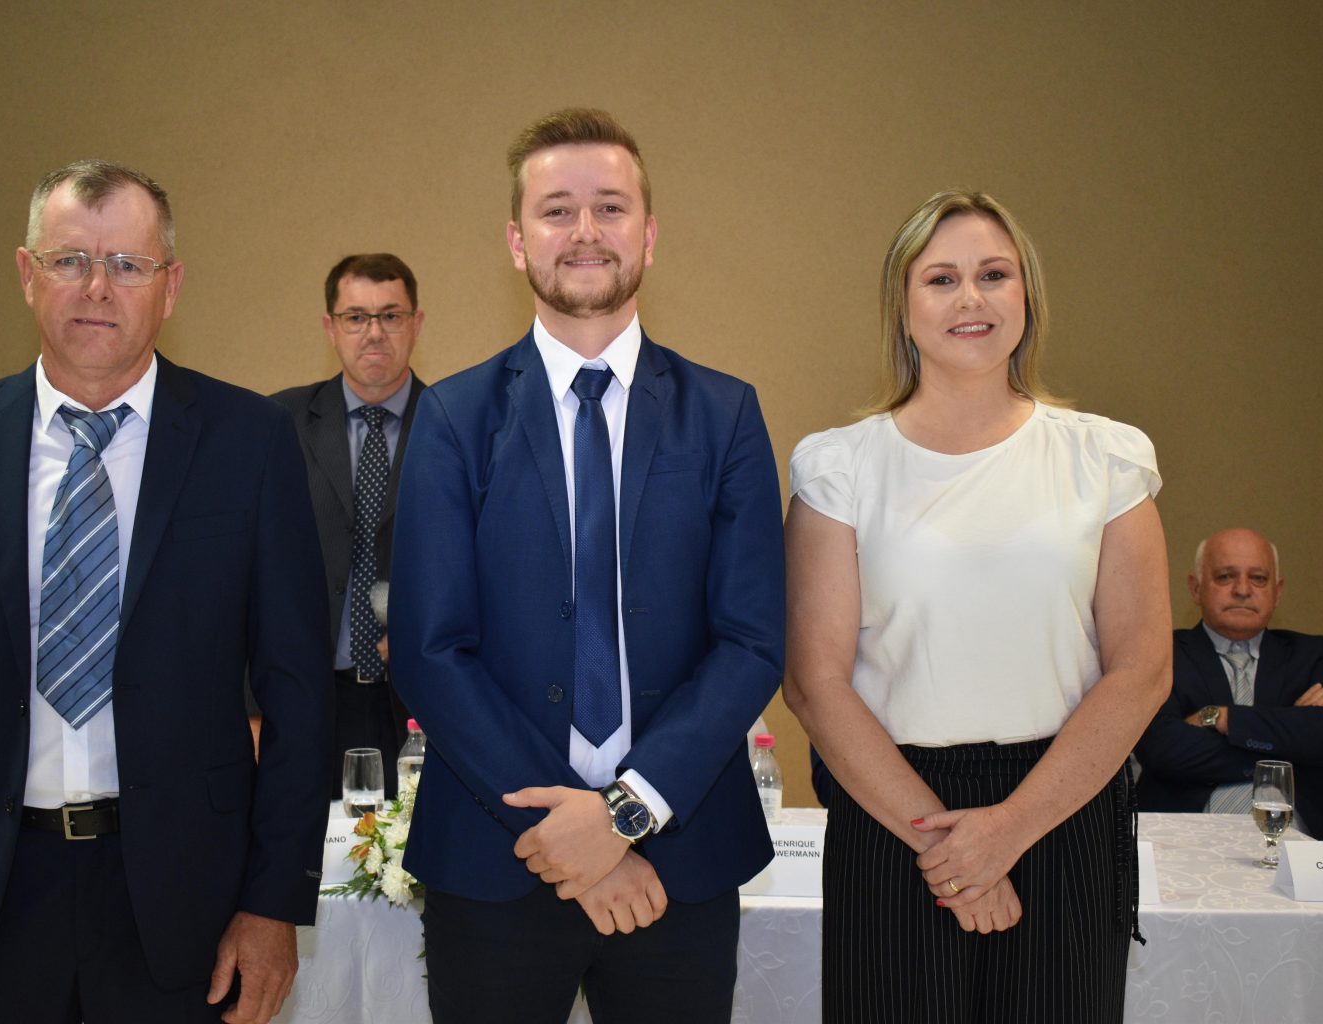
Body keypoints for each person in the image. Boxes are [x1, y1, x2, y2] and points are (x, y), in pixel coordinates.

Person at [0, 160, 331, 1024]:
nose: (97, 288)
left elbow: (297, 691)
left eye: (128, 264)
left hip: (184, 904)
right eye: (70, 260)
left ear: (170, 286)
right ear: (27, 274)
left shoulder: (250, 441)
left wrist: (274, 905)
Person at [388, 108, 785, 1023]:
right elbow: (430, 651)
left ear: (649, 233)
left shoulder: (724, 414)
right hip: (494, 861)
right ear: (516, 241)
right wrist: (570, 835)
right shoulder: (452, 418)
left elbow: (752, 640)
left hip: (678, 861)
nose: (585, 231)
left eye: (610, 207)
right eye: (556, 210)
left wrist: (624, 814)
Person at [784, 189, 1171, 1022]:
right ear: (902, 305)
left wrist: (1009, 830)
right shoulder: (839, 469)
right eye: (941, 279)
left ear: (1027, 296)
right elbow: (815, 683)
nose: (971, 298)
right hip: (896, 818)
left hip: (1064, 808)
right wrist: (949, 848)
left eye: (994, 275)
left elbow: (1142, 669)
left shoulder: (1105, 458)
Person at [270, 253, 425, 799]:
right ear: (330, 327)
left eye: (391, 315)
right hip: (306, 698)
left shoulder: (455, 424)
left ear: (416, 324)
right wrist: (249, 706)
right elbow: (248, 572)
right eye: (356, 317)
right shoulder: (279, 424)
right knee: (309, 846)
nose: (374, 332)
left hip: (421, 703)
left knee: (414, 847)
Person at [1136, 528, 1323, 837]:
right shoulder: (1164, 652)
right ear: (1195, 588)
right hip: (1183, 839)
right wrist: (1292, 733)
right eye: (1225, 577)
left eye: (1258, 578)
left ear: (1278, 591)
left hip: (1303, 844)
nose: (1242, 590)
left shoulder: (1310, 653)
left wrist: (1223, 717)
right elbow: (1162, 749)